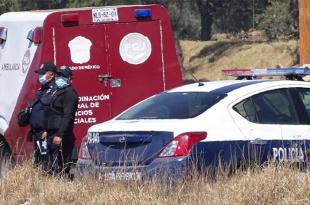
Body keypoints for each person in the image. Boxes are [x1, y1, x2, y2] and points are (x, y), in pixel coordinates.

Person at [46, 65, 78, 175]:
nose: (59, 78)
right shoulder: (58, 91)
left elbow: (67, 116)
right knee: (52, 165)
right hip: (52, 133)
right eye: (58, 75)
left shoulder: (69, 93)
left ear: (69, 78)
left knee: (62, 167)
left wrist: (59, 134)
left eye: (62, 76)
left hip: (62, 135)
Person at [28, 61, 58, 169]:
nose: (40, 76)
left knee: (48, 164)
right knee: (39, 162)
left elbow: (55, 112)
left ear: (52, 74)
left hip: (47, 133)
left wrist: (47, 130)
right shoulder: (41, 89)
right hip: (37, 133)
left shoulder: (55, 89)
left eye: (43, 73)